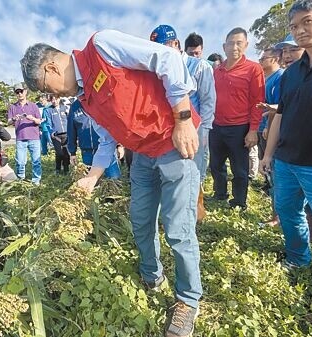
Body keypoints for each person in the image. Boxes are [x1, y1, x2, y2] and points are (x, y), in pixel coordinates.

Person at [21, 29, 202, 337]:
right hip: (143, 156)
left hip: (174, 144)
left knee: (178, 229)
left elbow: (168, 58)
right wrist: (91, 178)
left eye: (45, 88)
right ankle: (151, 275)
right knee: (141, 221)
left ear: (51, 67)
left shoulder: (102, 46)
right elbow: (108, 139)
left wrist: (183, 120)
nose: (52, 96)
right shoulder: (85, 98)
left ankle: (187, 300)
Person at [260, 0, 312, 269]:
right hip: (286, 160)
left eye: (308, 21)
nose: (300, 30)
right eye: (294, 26)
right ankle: (299, 259)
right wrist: (269, 154)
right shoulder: (291, 73)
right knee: (288, 211)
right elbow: (280, 114)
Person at [150, 24, 216, 221]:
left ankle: (196, 215)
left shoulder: (199, 66)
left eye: (163, 47)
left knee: (194, 174)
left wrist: (203, 133)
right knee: (174, 175)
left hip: (195, 131)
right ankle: (175, 214)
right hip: (171, 133)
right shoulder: (159, 67)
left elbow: (208, 102)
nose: (160, 52)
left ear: (176, 43)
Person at [210, 27, 265, 209]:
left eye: (239, 43)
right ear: (224, 46)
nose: (235, 47)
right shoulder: (217, 71)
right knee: (216, 165)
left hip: (240, 127)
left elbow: (257, 101)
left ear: (246, 45)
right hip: (216, 126)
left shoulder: (253, 69)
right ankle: (220, 194)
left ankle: (239, 202)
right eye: (231, 43)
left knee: (240, 169)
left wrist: (253, 130)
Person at [256, 47, 284, 227]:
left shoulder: (280, 77)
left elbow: (277, 108)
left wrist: (268, 126)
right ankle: (275, 215)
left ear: (275, 58)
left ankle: (277, 217)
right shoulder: (266, 79)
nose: (260, 60)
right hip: (262, 130)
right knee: (268, 173)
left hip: (270, 131)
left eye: (264, 58)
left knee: (274, 173)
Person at [67, 99, 121, 178]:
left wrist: (119, 145)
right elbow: (71, 130)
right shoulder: (75, 107)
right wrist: (72, 153)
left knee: (114, 178)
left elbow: (115, 123)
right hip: (87, 153)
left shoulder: (99, 99)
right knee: (91, 182)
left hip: (107, 150)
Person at [7, 83, 43, 185]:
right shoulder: (13, 107)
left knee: (36, 161)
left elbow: (39, 121)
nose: (19, 94)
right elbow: (8, 121)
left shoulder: (33, 106)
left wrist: (32, 118)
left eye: (21, 91)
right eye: (17, 92)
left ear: (25, 92)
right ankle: (20, 180)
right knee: (20, 162)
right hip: (20, 138)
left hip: (34, 137)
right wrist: (15, 118)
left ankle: (36, 181)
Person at [46, 95, 70, 174]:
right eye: (52, 99)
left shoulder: (64, 108)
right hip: (56, 135)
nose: (54, 101)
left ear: (59, 98)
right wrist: (51, 132)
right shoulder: (49, 110)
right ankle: (58, 168)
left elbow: (69, 119)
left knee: (66, 153)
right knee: (59, 153)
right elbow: (48, 123)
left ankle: (66, 169)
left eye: (56, 99)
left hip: (66, 134)